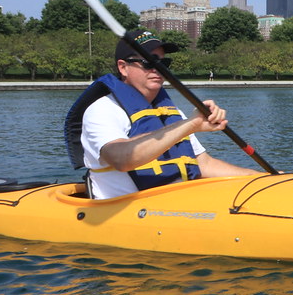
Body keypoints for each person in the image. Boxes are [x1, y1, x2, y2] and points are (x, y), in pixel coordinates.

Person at [65, 29, 261, 199]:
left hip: (173, 203)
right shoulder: (102, 109)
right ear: (123, 67)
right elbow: (122, 159)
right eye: (148, 62)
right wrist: (191, 124)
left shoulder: (171, 112)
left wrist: (260, 178)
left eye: (163, 62)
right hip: (126, 210)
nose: (157, 69)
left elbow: (204, 163)